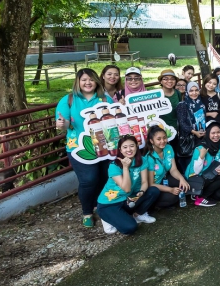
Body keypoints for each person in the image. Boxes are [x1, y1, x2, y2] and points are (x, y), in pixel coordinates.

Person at [55, 69, 113, 228]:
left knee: (103, 177)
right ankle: (87, 212)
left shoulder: (105, 99)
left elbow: (113, 120)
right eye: (84, 80)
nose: (88, 83)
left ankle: (100, 207)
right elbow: (65, 123)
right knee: (88, 180)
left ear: (96, 81)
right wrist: (62, 124)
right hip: (79, 147)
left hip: (104, 146)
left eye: (91, 80)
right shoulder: (68, 100)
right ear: (78, 82)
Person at [97, 135, 160, 235]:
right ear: (120, 150)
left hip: (128, 199)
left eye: (132, 146)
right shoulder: (114, 165)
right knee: (130, 228)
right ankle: (107, 218)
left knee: (153, 191)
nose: (129, 149)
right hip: (109, 203)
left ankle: (138, 215)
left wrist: (141, 192)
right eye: (125, 147)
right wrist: (125, 168)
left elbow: (144, 182)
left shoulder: (142, 160)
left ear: (136, 147)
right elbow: (126, 189)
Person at [185, 122, 220, 206]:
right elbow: (196, 171)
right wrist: (201, 157)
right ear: (208, 133)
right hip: (196, 178)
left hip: (210, 175)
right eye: (213, 133)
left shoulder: (219, 147)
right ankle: (200, 197)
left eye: (218, 132)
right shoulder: (201, 148)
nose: (216, 135)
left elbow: (219, 163)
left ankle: (198, 193)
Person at [143, 126, 191, 209]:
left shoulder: (168, 148)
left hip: (165, 179)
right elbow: (151, 184)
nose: (162, 141)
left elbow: (173, 170)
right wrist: (170, 190)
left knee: (183, 181)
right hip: (155, 187)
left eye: (164, 138)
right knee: (173, 196)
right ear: (152, 141)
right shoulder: (149, 157)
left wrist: (182, 179)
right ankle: (155, 205)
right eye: (159, 139)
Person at [176, 81, 206, 150]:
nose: (194, 93)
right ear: (187, 91)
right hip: (189, 137)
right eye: (191, 91)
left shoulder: (201, 103)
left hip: (201, 135)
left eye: (196, 90)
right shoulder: (182, 105)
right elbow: (182, 123)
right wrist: (195, 132)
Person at [200, 75, 220, 142]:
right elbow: (196, 113)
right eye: (209, 82)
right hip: (206, 125)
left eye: (214, 84)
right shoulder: (199, 95)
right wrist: (209, 114)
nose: (211, 85)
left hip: (219, 123)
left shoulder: (218, 95)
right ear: (205, 82)